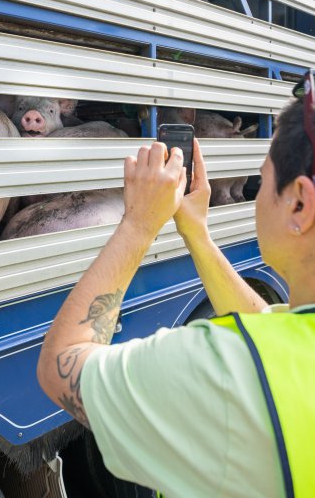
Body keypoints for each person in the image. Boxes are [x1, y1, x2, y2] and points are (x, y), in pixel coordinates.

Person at [37, 71, 315, 498]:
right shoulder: (289, 352)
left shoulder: (222, 374)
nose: (254, 195)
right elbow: (267, 323)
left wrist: (138, 224)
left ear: (299, 204)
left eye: (261, 181)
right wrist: (196, 234)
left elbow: (62, 365)